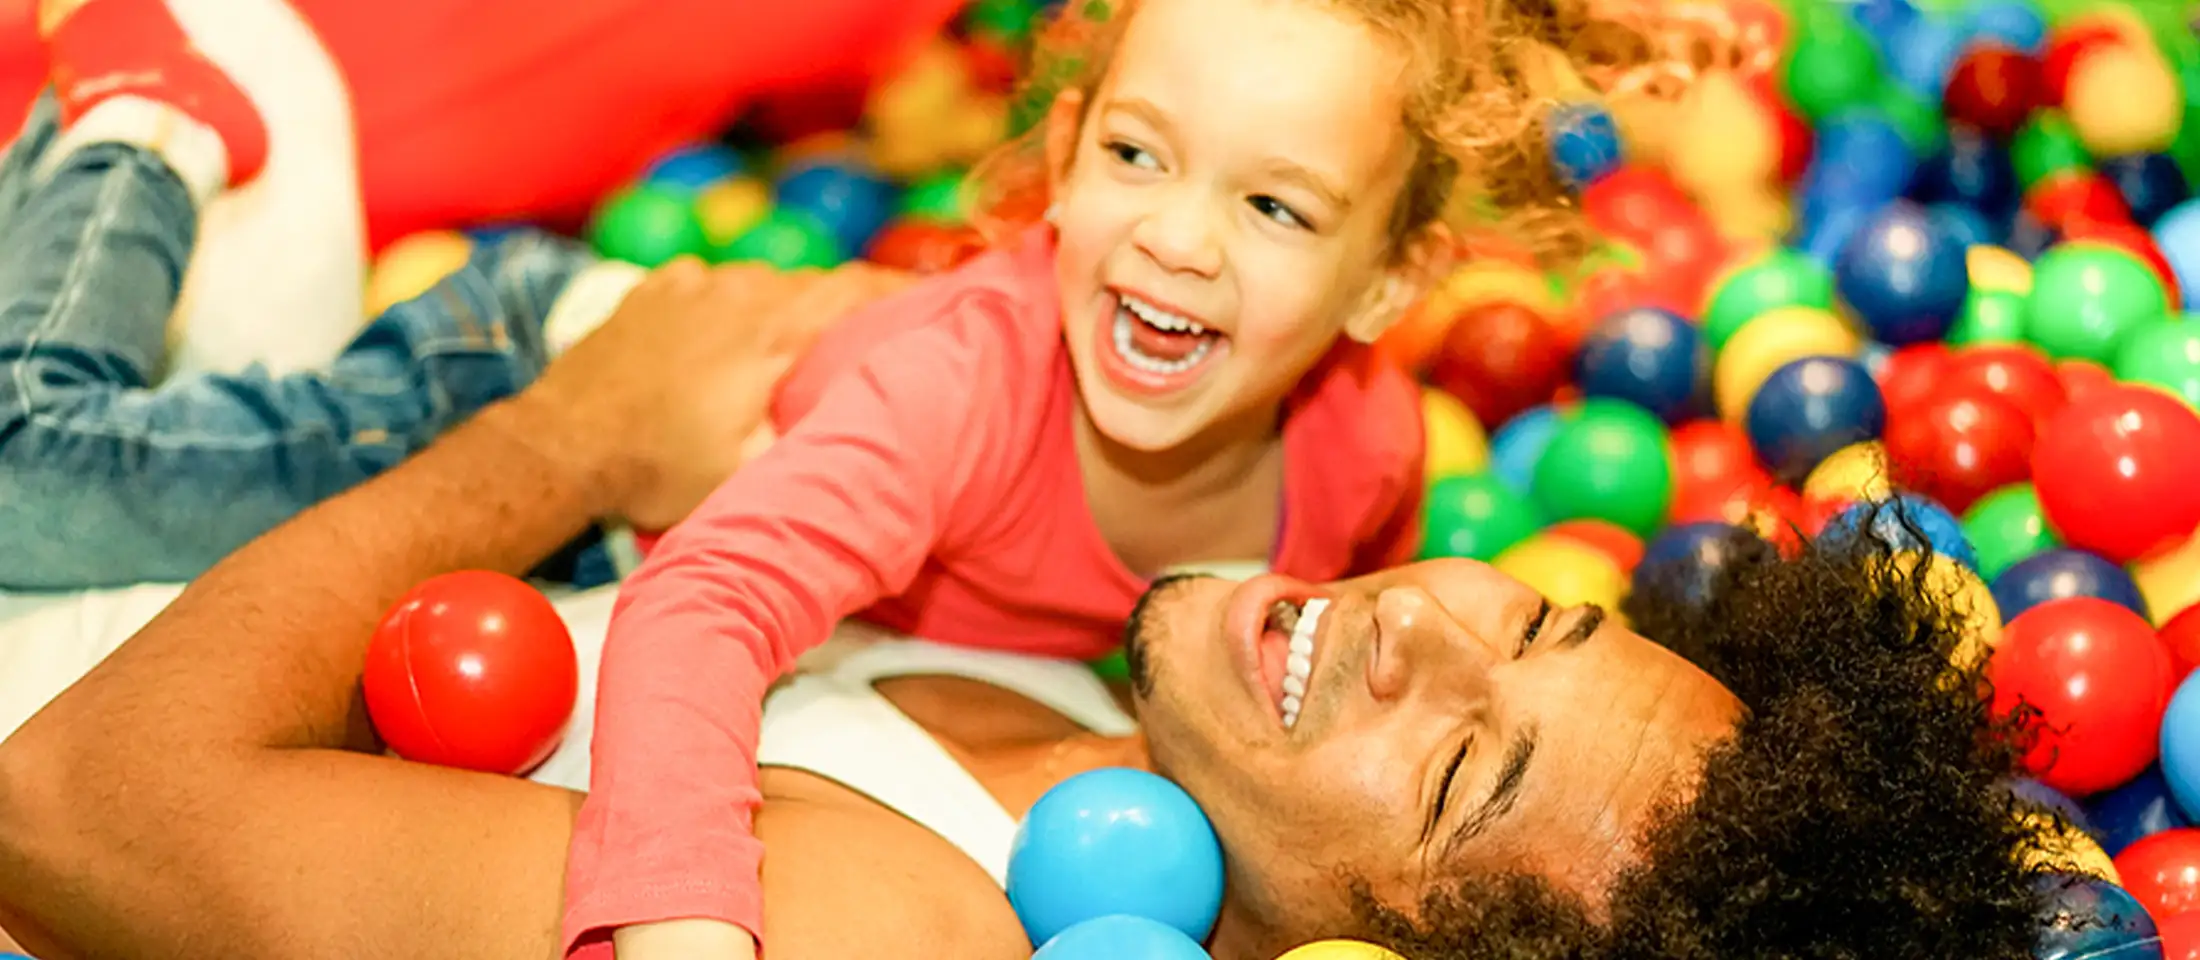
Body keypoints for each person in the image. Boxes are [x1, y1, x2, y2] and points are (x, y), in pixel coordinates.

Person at [0, 350, 2065, 958]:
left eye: (1453, 775)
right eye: (1528, 618)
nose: (1416, 629)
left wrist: (575, 438)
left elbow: (67, 811)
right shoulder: (1139, 735)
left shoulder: (877, 933)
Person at [554, 0, 1670, 952]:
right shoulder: (967, 388)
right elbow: (709, 600)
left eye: (1273, 206)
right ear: (1065, 153)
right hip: (547, 376)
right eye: (1137, 155)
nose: (1176, 239)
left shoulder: (1364, 444)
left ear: (1386, 280)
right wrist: (684, 917)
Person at [0, 8, 909, 590]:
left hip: (542, 364)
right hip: (559, 351)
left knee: (24, 476)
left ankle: (148, 114)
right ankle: (147, 109)